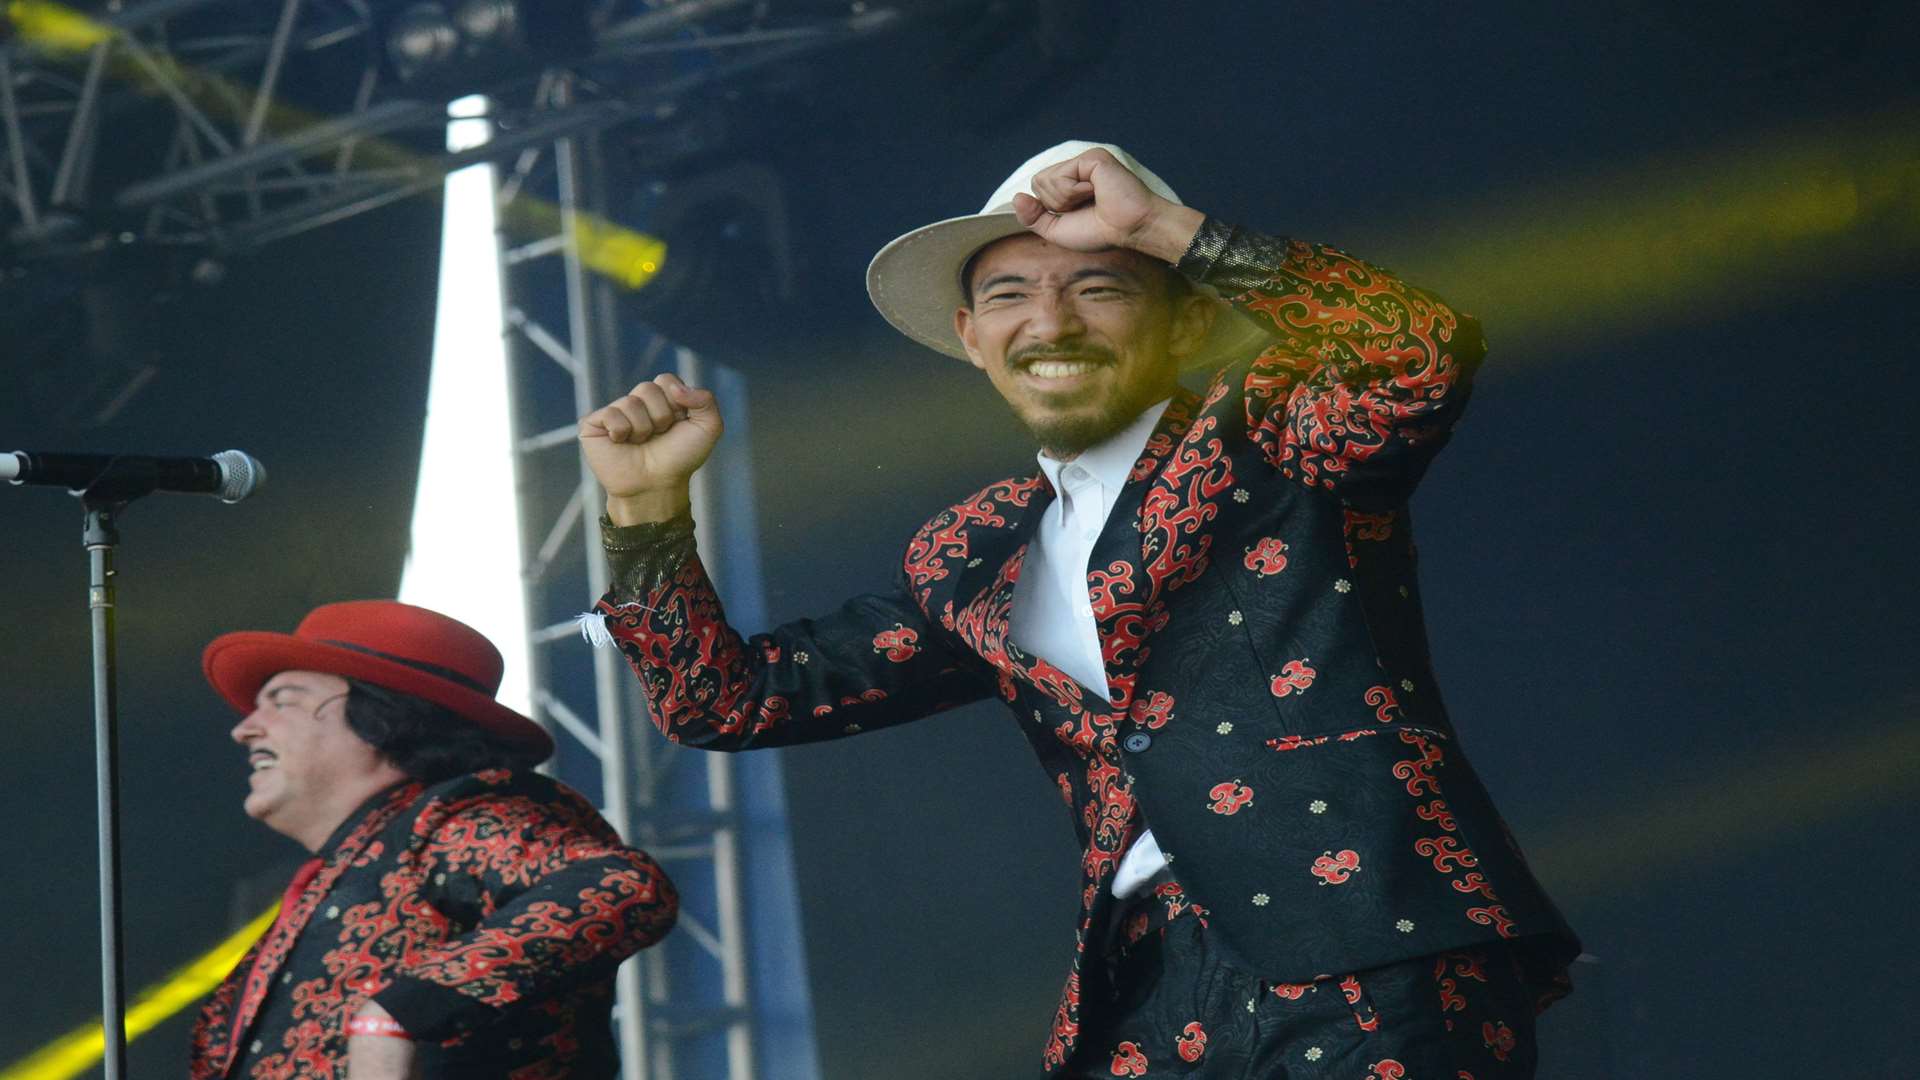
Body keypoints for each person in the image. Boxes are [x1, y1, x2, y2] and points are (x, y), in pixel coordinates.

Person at [579, 141, 1581, 1076]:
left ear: (1187, 321)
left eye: (1098, 288)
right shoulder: (970, 552)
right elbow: (727, 703)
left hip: (1373, 937)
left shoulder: (1273, 429)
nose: (1050, 324)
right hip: (1147, 990)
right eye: (1008, 295)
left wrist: (1167, 229)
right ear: (971, 339)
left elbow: (1416, 349)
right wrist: (645, 508)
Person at [188, 600, 677, 1080]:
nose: (244, 730)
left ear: (380, 717)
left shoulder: (454, 819)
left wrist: (399, 1013)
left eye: (283, 700)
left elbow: (616, 885)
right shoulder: (327, 882)